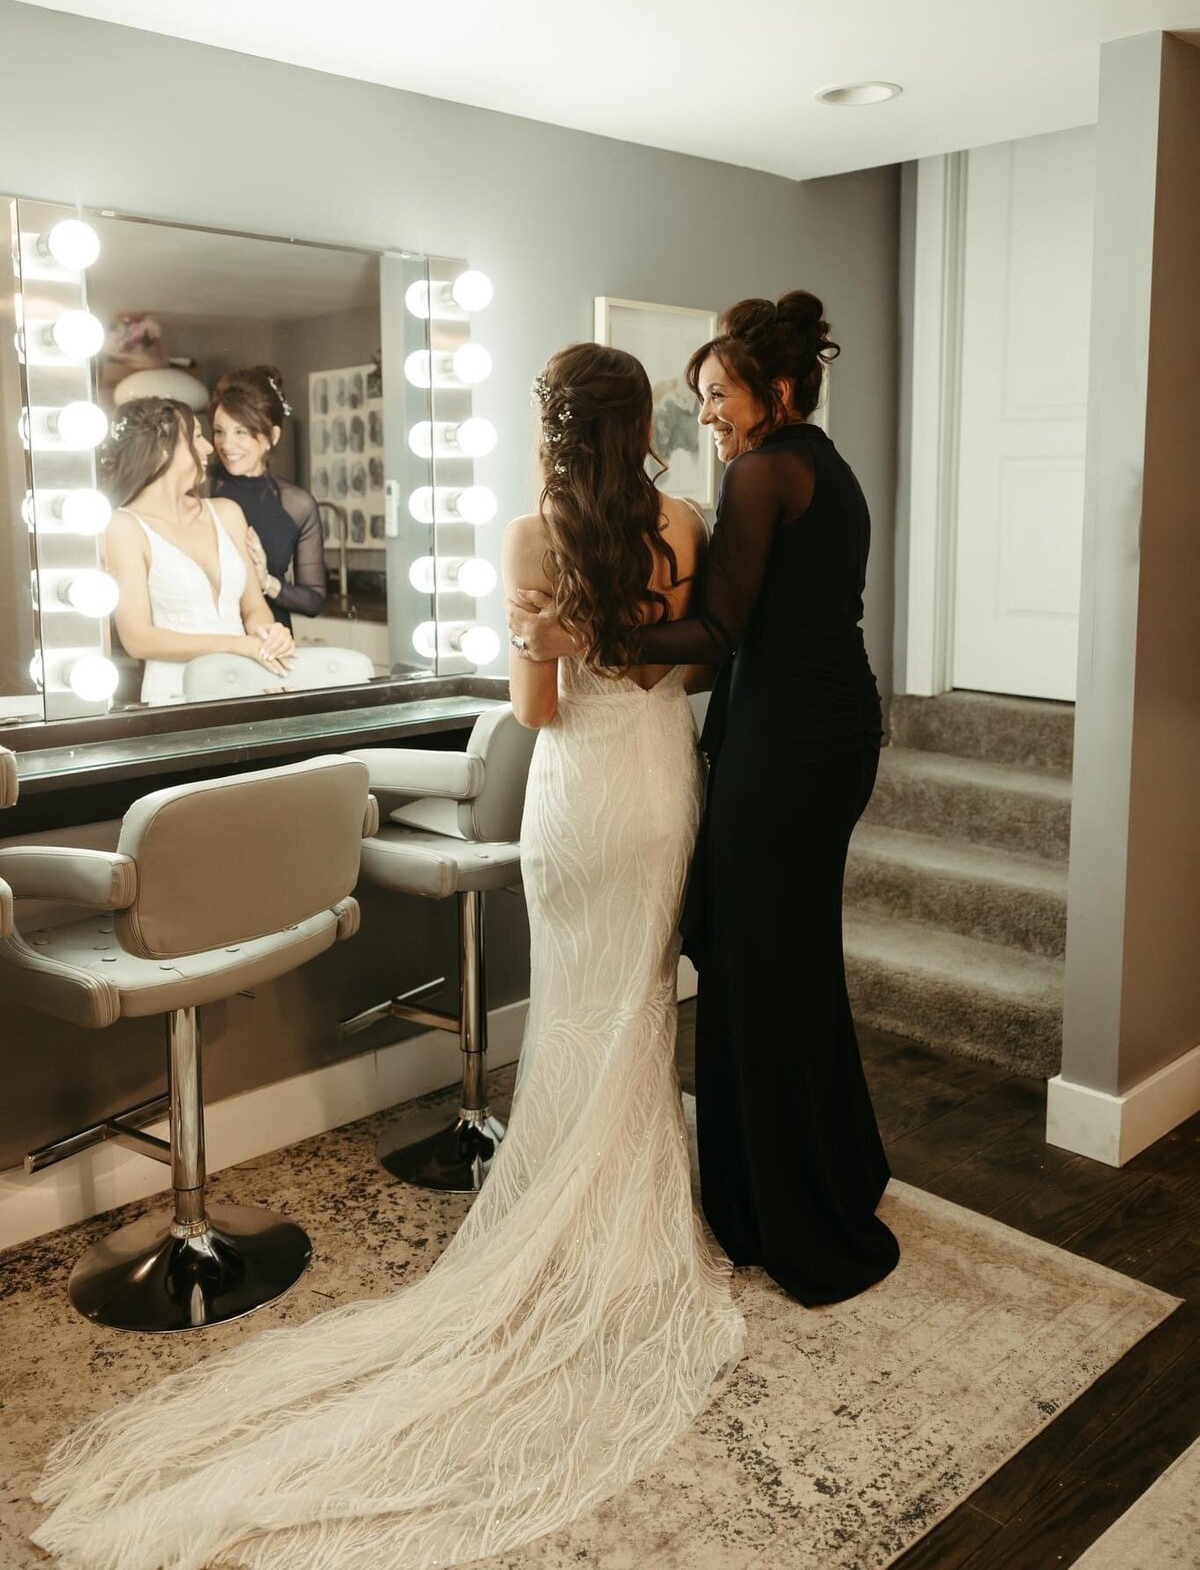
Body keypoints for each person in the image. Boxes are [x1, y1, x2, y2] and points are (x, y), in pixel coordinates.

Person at [31, 345, 744, 1570]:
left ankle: (572, 1226)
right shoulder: (687, 519)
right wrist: (621, 640)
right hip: (663, 785)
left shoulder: (533, 535)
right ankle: (628, 1227)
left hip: (580, 798)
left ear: (552, 428)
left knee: (577, 1007)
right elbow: (684, 663)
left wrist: (558, 636)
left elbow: (536, 713)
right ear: (650, 425)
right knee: (636, 1003)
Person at [510, 291, 900, 1308]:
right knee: (789, 954)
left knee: (758, 966)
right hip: (819, 727)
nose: (708, 418)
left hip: (792, 739)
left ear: (773, 389)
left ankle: (783, 1211)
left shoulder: (767, 470)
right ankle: (832, 1168)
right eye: (694, 401)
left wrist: (573, 642)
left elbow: (716, 634)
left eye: (718, 396)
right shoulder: (821, 465)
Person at [102, 397, 296, 704]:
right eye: (196, 436)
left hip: (245, 680)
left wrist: (270, 634)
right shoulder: (124, 527)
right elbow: (138, 638)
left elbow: (253, 608)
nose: (208, 448)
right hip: (177, 689)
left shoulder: (227, 513)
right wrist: (235, 645)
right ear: (162, 449)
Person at [207, 365, 326, 630]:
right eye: (219, 431)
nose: (226, 445)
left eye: (242, 432)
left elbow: (314, 600)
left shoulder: (297, 504)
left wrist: (265, 582)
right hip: (212, 639)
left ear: (272, 437)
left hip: (271, 643)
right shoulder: (198, 487)